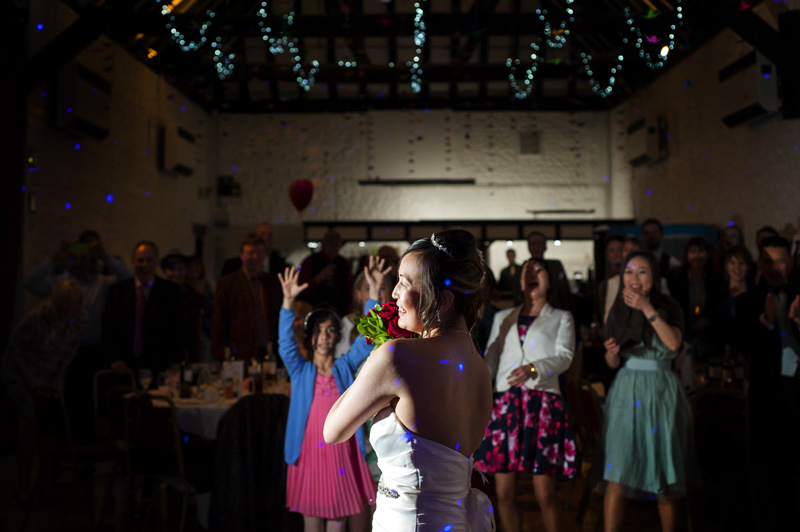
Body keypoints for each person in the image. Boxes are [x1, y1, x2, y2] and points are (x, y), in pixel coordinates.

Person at [324, 229, 495, 532]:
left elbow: (332, 430)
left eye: (404, 283)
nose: (393, 295)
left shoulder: (397, 357)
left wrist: (381, 353)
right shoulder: (478, 366)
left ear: (441, 300)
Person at [277, 260, 387, 532]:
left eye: (330, 331)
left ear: (337, 336)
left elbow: (370, 336)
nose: (324, 337)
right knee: (312, 524)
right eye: (318, 331)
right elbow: (285, 344)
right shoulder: (300, 370)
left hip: (341, 452)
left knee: (338, 522)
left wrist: (373, 293)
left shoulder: (344, 367)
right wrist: (288, 303)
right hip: (308, 454)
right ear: (309, 336)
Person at [475, 258, 578, 532]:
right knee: (504, 492)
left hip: (542, 405)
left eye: (538, 270)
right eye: (526, 271)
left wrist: (534, 368)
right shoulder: (502, 317)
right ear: (520, 281)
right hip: (506, 406)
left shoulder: (561, 317)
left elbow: (565, 357)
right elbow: (491, 361)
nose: (531, 274)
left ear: (550, 279)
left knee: (544, 492)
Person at [602, 251, 695, 532]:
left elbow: (674, 344)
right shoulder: (617, 309)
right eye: (629, 272)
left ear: (653, 276)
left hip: (662, 387)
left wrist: (646, 308)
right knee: (618, 470)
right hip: (627, 387)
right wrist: (611, 354)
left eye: (642, 271)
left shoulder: (670, 306)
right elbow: (612, 362)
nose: (634, 278)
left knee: (665, 471)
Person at [1, 278, 87, 504]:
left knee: (51, 427)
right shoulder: (37, 318)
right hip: (23, 372)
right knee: (31, 424)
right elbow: (15, 350)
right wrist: (33, 384)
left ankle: (45, 483)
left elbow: (69, 352)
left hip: (53, 372)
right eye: (66, 303)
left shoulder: (80, 319)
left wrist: (57, 380)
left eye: (75, 303)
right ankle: (23, 486)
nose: (70, 308)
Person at [102, 241, 185, 377]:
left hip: (159, 367)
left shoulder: (170, 291)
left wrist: (173, 363)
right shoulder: (117, 291)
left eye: (149, 260)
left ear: (156, 262)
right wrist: (114, 358)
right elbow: (108, 328)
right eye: (140, 260)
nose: (144, 265)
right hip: (124, 367)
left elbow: (177, 330)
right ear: (133, 262)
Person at [212, 234, 282, 362]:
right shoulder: (228, 283)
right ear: (242, 255)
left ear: (265, 255)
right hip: (239, 351)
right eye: (251, 252)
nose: (255, 256)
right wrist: (220, 353)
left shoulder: (272, 282)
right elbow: (218, 320)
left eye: (259, 252)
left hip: (269, 349)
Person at [298, 229, 353, 318]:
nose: (332, 249)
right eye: (330, 245)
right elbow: (301, 288)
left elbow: (349, 291)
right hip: (313, 310)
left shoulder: (344, 264)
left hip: (338, 311)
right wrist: (318, 279)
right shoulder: (311, 261)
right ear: (323, 244)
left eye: (335, 246)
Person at [219, 222, 288, 278]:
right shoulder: (231, 265)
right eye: (262, 234)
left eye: (270, 235)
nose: (266, 238)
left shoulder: (281, 264)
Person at [527, 231, 572, 311]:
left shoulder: (555, 266)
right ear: (529, 247)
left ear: (545, 246)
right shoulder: (524, 268)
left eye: (539, 243)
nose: (536, 247)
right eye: (533, 243)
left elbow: (564, 292)